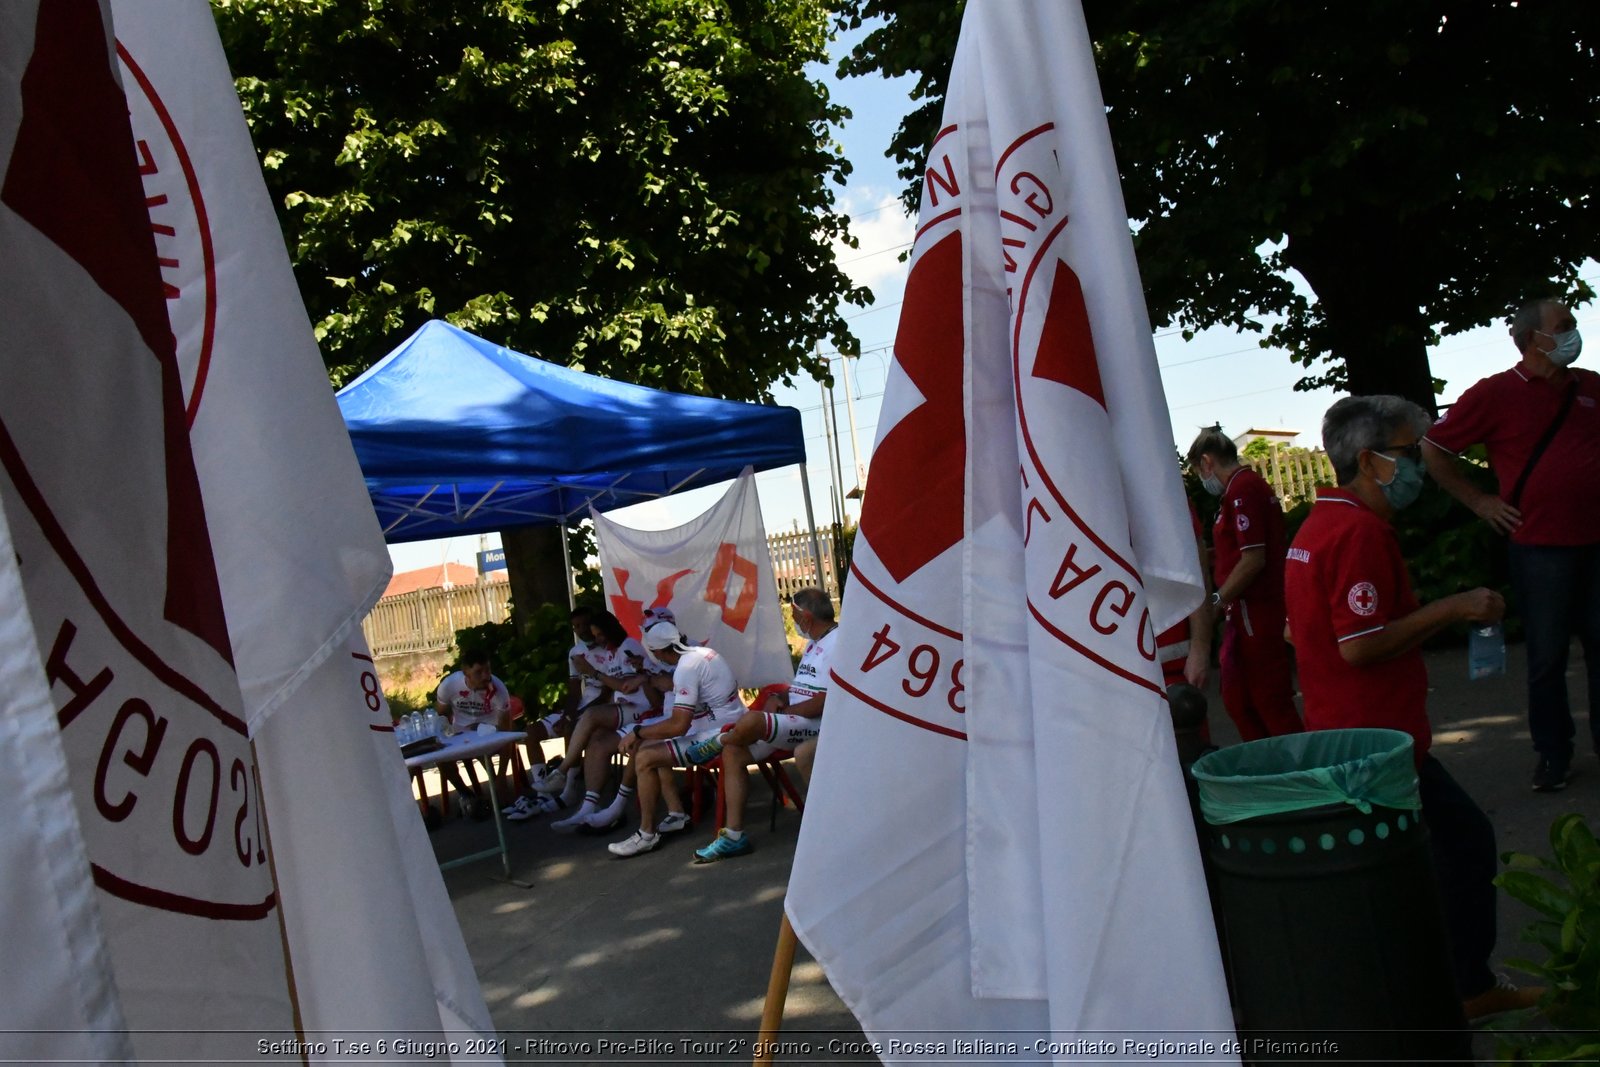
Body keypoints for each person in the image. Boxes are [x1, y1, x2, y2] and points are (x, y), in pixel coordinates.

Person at [1285, 394, 1538, 1020]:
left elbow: (1304, 631)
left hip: (1352, 732)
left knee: (1423, 856)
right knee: (1461, 846)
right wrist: (1453, 609)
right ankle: (1463, 987)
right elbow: (1360, 645)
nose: (1423, 465)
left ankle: (1438, 983)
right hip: (1376, 739)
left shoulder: (1319, 525)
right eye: (1409, 453)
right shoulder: (1357, 531)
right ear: (1370, 461)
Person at [1422, 298, 1600, 792]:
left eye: (1571, 325)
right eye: (1562, 327)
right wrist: (1479, 502)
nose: (1572, 333)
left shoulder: (1588, 387)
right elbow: (1434, 449)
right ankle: (1553, 753)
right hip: (1541, 547)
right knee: (1547, 656)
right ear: (1531, 339)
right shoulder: (1496, 393)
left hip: (1595, 543)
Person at [678, 587, 838, 863]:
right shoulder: (815, 642)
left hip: (817, 723)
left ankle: (718, 740)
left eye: (794, 615)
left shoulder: (838, 643)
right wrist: (779, 697)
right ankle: (733, 836)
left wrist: (785, 709)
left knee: (751, 721)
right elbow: (804, 688)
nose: (794, 620)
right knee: (734, 753)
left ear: (807, 616)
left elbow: (822, 702)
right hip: (795, 717)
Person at [1186, 428, 1302, 740]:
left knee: (1268, 699)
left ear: (1207, 462)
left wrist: (1216, 600)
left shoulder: (1243, 490)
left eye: (1198, 471)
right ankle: (1267, 762)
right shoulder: (1240, 490)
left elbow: (1253, 558)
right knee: (1239, 698)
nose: (1201, 478)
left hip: (1256, 610)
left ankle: (1297, 769)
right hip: (1244, 612)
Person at [607, 622, 747, 858]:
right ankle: (676, 814)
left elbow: (678, 725)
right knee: (652, 746)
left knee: (644, 757)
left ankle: (646, 835)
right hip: (730, 726)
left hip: (716, 737)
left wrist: (638, 732)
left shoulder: (685, 668)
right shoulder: (701, 654)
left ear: (657, 652)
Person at [501, 605, 599, 821]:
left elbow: (611, 690)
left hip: (602, 709)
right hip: (583, 706)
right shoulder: (575, 652)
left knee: (570, 727)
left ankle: (569, 789)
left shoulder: (607, 647)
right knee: (531, 731)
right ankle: (542, 791)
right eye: (575, 626)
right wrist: (567, 714)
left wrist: (571, 718)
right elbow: (574, 691)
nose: (580, 630)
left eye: (584, 625)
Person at [432, 647, 511, 820]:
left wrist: (502, 776)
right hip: (461, 732)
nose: (485, 676)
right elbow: (441, 719)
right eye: (478, 672)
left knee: (484, 750)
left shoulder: (498, 689)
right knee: (439, 755)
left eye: (487, 670)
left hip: (489, 731)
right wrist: (445, 736)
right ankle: (466, 794)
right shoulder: (449, 685)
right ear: (465, 673)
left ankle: (495, 786)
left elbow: (507, 735)